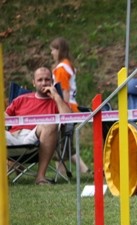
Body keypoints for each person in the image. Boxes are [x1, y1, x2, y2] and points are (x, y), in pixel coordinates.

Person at [6, 67, 72, 185]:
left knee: (50, 123)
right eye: (40, 80)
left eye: (47, 80)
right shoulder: (20, 100)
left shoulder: (57, 101)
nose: (43, 83)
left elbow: (69, 119)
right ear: (33, 82)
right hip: (13, 138)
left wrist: (56, 97)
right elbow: (4, 117)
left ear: (52, 82)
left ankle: (40, 177)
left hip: (36, 138)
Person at [50, 37, 90, 173]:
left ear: (59, 50)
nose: (52, 53)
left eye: (53, 50)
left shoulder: (61, 69)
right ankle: (84, 170)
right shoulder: (68, 65)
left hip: (67, 108)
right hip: (72, 107)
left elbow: (64, 91)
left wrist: (63, 109)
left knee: (60, 143)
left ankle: (61, 173)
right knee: (64, 143)